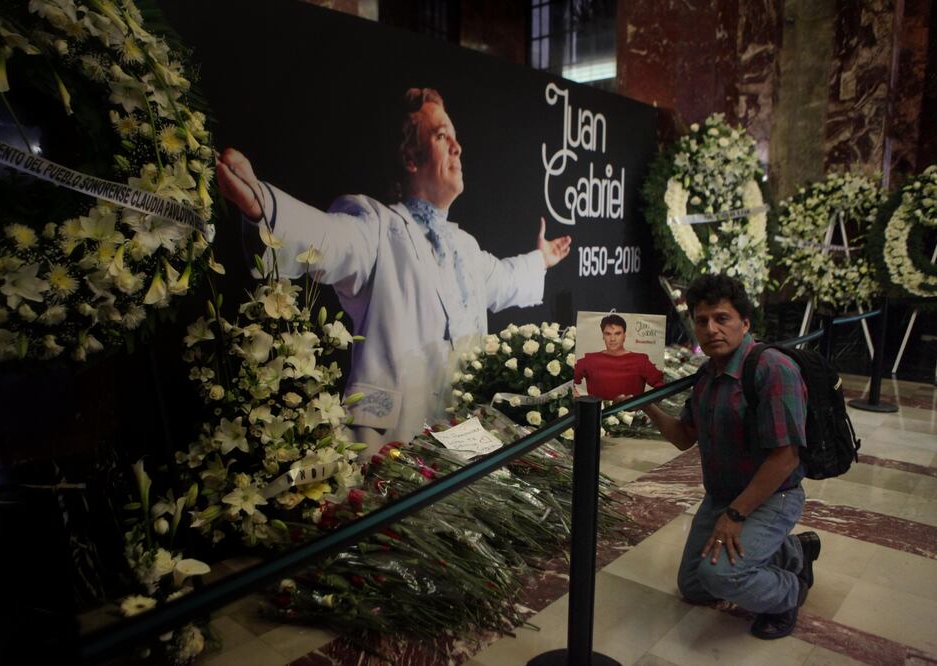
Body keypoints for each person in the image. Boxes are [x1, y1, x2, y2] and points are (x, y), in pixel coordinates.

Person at [215, 88, 572, 454]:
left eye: (454, 136)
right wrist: (262, 206)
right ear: (410, 158)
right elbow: (327, 239)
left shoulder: (464, 247)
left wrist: (540, 259)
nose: (457, 147)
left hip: (463, 450)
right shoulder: (376, 226)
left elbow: (506, 279)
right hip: (390, 452)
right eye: (441, 135)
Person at [636, 274, 821, 640]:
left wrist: (736, 515)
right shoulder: (708, 375)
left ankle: (789, 593)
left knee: (720, 576)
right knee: (694, 585)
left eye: (722, 318)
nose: (711, 329)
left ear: (745, 322)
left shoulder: (772, 370)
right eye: (701, 321)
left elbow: (785, 458)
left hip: (771, 496)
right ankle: (794, 550)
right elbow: (683, 438)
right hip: (721, 497)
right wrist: (645, 403)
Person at [573, 314, 663, 400]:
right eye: (608, 334)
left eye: (617, 333)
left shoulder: (640, 361)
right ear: (603, 336)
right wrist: (578, 400)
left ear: (624, 335)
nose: (612, 339)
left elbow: (661, 387)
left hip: (633, 414)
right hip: (597, 414)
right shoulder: (590, 360)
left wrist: (647, 406)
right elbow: (566, 381)